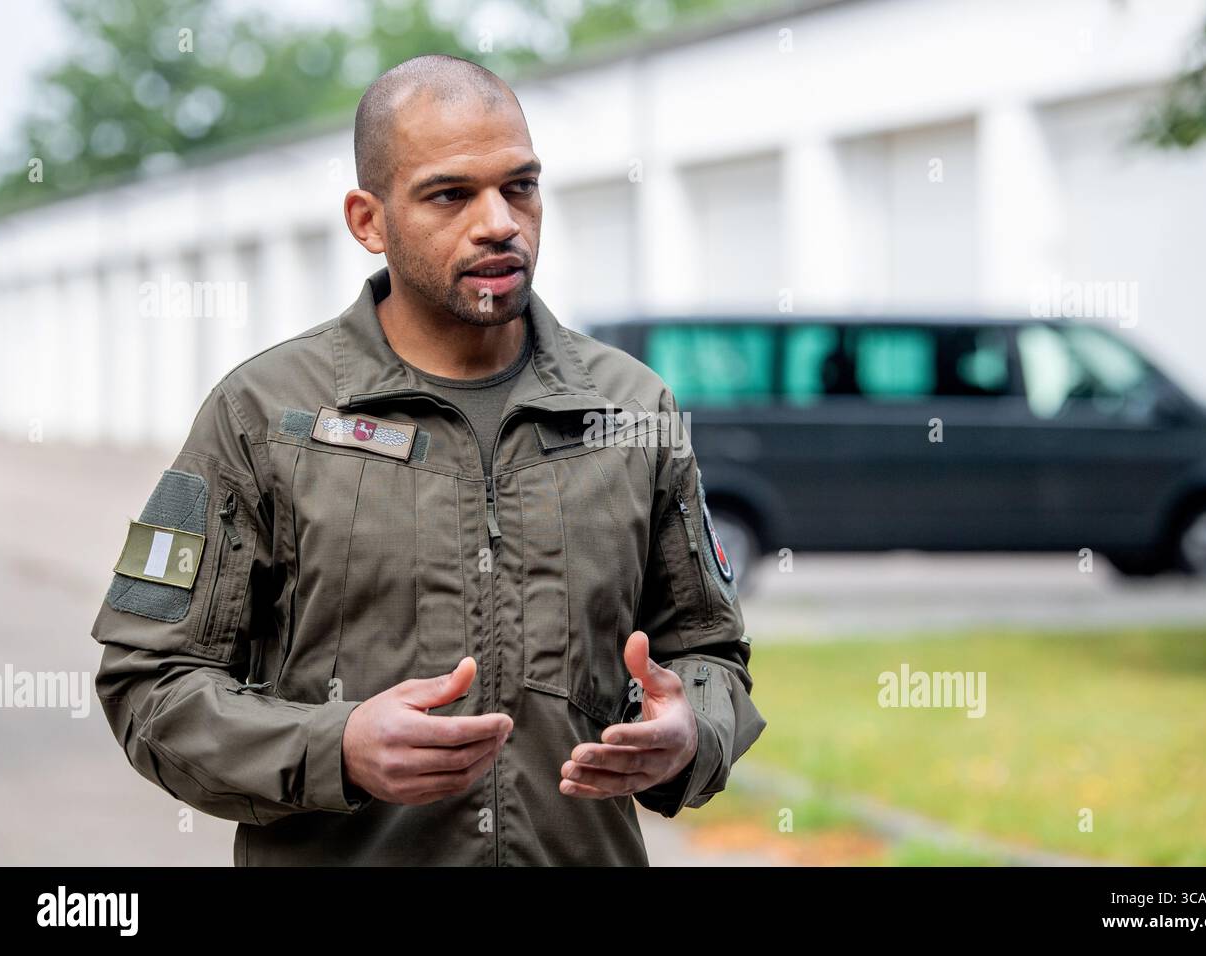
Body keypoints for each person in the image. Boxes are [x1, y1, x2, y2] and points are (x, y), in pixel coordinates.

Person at [90, 54, 766, 865]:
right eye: (452, 195)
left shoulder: (633, 412)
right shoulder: (264, 417)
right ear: (367, 220)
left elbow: (710, 653)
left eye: (521, 186)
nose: (500, 223)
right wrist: (333, 745)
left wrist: (691, 729)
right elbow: (150, 685)